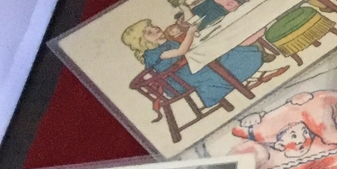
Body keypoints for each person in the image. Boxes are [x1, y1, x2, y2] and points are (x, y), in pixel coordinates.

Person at [120, 19, 284, 111]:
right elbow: (181, 51)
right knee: (221, 65)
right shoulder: (151, 54)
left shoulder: (167, 42)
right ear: (142, 42)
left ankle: (245, 73)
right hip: (181, 79)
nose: (155, 29)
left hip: (189, 70)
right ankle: (243, 80)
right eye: (149, 32)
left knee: (226, 55)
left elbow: (186, 49)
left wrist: (191, 34)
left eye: (152, 26)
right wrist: (190, 33)